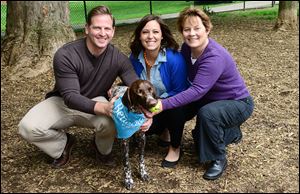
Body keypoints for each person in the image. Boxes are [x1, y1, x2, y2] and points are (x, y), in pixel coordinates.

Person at [18, 5, 152, 168]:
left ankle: (101, 148)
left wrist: (148, 114)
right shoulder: (66, 54)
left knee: (112, 123)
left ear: (113, 31)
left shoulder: (118, 58)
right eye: (97, 27)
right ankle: (63, 144)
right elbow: (70, 97)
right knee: (27, 127)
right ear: (87, 28)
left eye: (107, 28)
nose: (103, 33)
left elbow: (136, 86)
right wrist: (105, 108)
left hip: (96, 98)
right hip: (62, 102)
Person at [153, 7, 254, 180]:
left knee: (207, 115)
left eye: (197, 28)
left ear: (207, 29)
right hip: (208, 100)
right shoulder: (186, 49)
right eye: (186, 29)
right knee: (192, 129)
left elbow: (197, 90)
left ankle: (218, 158)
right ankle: (171, 136)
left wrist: (161, 104)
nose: (192, 33)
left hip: (236, 103)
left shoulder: (214, 57)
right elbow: (179, 71)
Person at [129, 14, 189, 168]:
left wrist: (154, 112)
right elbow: (132, 88)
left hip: (175, 104)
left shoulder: (174, 58)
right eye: (145, 32)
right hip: (148, 106)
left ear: (162, 35)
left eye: (155, 32)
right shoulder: (134, 58)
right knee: (143, 130)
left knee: (175, 110)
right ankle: (163, 129)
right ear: (139, 36)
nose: (150, 36)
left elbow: (180, 93)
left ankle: (175, 147)